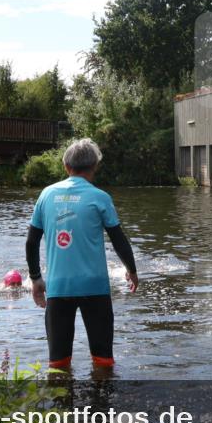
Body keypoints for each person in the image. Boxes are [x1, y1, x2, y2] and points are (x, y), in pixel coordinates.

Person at [25, 138, 139, 372]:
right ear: (94, 166)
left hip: (58, 288)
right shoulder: (100, 197)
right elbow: (119, 240)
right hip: (95, 289)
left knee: (57, 365)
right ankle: (101, 404)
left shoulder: (46, 195)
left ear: (66, 166)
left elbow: (31, 241)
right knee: (103, 361)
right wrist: (132, 271)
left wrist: (36, 278)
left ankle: (61, 407)